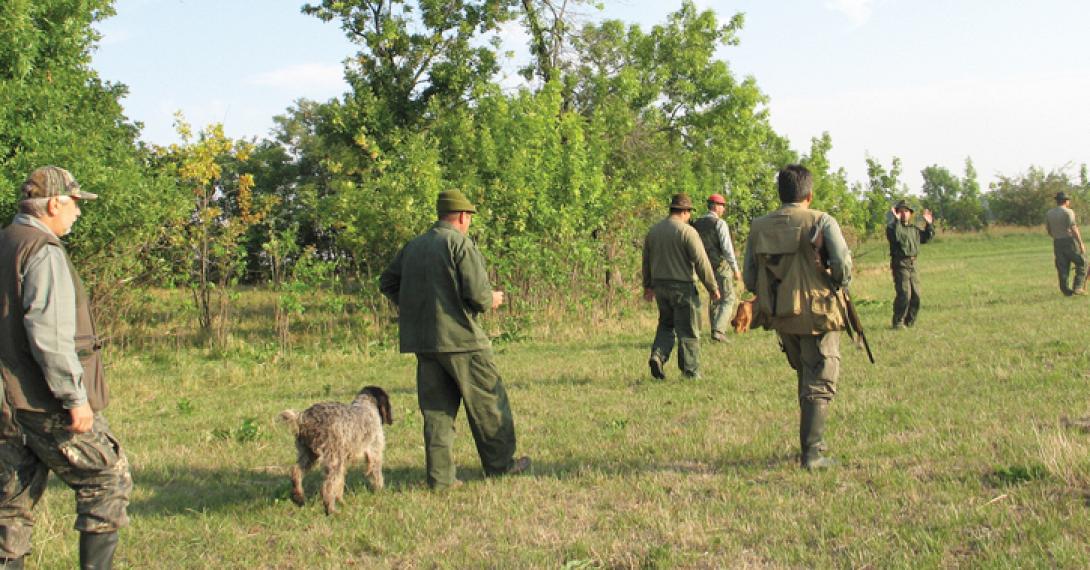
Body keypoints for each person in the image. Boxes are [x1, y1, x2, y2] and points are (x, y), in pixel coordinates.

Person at [0, 166, 131, 569]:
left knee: (10, 501)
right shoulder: (42, 250)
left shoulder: (6, 240)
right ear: (55, 203)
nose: (78, 212)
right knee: (107, 479)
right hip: (43, 401)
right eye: (75, 203)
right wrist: (74, 399)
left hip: (7, 402)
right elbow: (49, 335)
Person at [379, 189, 530, 490]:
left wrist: (414, 305)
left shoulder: (414, 246)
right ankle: (501, 466)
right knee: (488, 402)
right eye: (470, 217)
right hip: (463, 341)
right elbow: (478, 297)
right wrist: (493, 299)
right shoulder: (458, 244)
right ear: (463, 216)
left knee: (437, 411)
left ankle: (441, 479)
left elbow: (387, 282)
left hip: (425, 342)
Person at [743, 165, 852, 469]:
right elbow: (842, 266)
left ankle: (810, 447)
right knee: (819, 381)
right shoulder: (822, 220)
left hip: (781, 315)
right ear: (809, 194)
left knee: (805, 376)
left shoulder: (759, 226)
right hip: (819, 315)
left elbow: (750, 278)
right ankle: (813, 455)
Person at [642, 194, 720, 380]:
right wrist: (712, 287)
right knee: (688, 329)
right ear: (685, 211)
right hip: (682, 287)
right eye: (689, 213)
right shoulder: (687, 231)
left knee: (666, 324)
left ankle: (658, 356)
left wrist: (648, 286)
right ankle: (690, 371)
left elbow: (646, 261)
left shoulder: (654, 231)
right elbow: (701, 262)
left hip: (660, 286)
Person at [691, 193, 742, 342]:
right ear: (715, 206)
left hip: (703, 267)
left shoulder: (696, 223)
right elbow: (727, 249)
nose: (723, 209)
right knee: (728, 298)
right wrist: (735, 269)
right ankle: (719, 330)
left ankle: (714, 330)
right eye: (722, 206)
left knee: (714, 297)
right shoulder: (720, 224)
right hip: (720, 266)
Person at [886, 200, 934, 329]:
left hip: (913, 263)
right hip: (900, 263)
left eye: (906, 211)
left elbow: (926, 238)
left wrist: (928, 224)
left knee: (916, 295)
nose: (903, 214)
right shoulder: (892, 228)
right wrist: (896, 221)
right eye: (900, 211)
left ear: (910, 214)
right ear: (896, 213)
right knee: (904, 294)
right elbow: (898, 237)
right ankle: (898, 322)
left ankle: (910, 322)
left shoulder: (914, 229)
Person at [1045, 191, 1087, 296]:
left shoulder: (1049, 213)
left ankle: (1065, 290)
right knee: (1082, 262)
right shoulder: (1068, 212)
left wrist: (1057, 237)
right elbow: (1073, 227)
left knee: (1062, 266)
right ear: (1066, 201)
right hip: (1069, 241)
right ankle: (1078, 287)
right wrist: (1080, 243)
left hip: (1057, 242)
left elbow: (1049, 230)